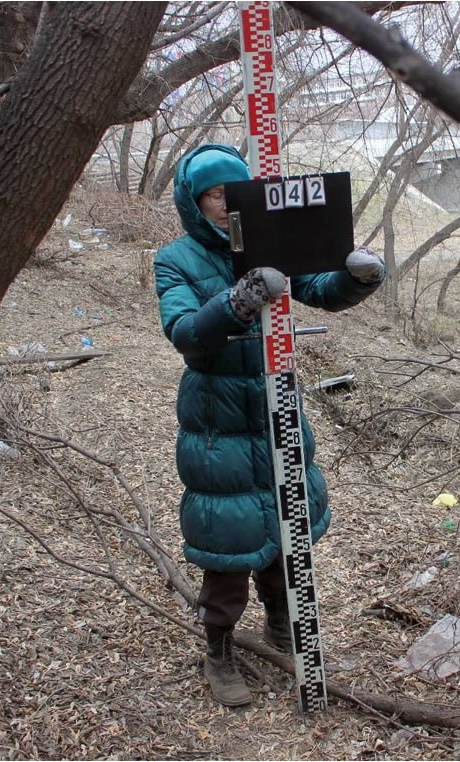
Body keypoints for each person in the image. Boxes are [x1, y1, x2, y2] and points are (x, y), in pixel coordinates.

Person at [153, 143, 385, 707]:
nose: (225, 204)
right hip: (218, 415)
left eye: (235, 193)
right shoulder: (176, 259)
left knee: (289, 534)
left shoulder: (270, 240)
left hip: (279, 401)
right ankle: (219, 651)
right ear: (194, 202)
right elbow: (184, 332)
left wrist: (357, 278)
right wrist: (239, 299)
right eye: (213, 195)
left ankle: (285, 632)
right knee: (226, 543)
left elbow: (318, 289)